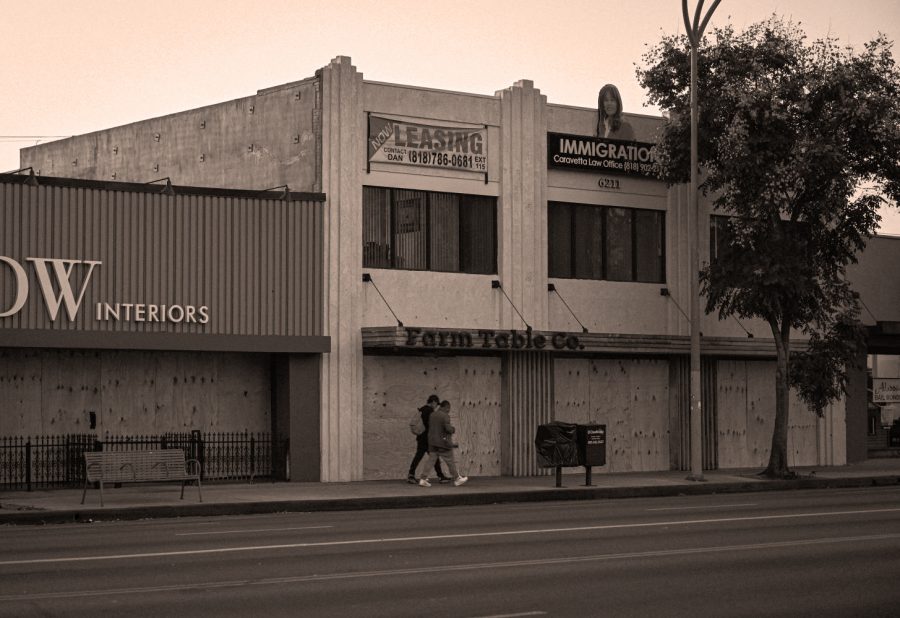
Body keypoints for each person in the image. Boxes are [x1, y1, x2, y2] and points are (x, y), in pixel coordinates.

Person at [418, 400, 468, 487]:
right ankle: (457, 479)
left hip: (432, 442)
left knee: (430, 461)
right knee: (450, 461)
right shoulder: (445, 416)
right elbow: (448, 429)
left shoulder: (432, 415)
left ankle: (423, 479)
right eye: (448, 408)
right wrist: (453, 429)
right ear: (446, 407)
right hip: (443, 443)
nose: (449, 410)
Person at [407, 394, 450, 484]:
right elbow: (431, 426)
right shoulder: (430, 411)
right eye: (436, 404)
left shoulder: (422, 409)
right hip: (427, 439)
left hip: (421, 438)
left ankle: (411, 475)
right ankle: (441, 476)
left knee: (419, 456)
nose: (436, 406)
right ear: (433, 402)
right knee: (434, 457)